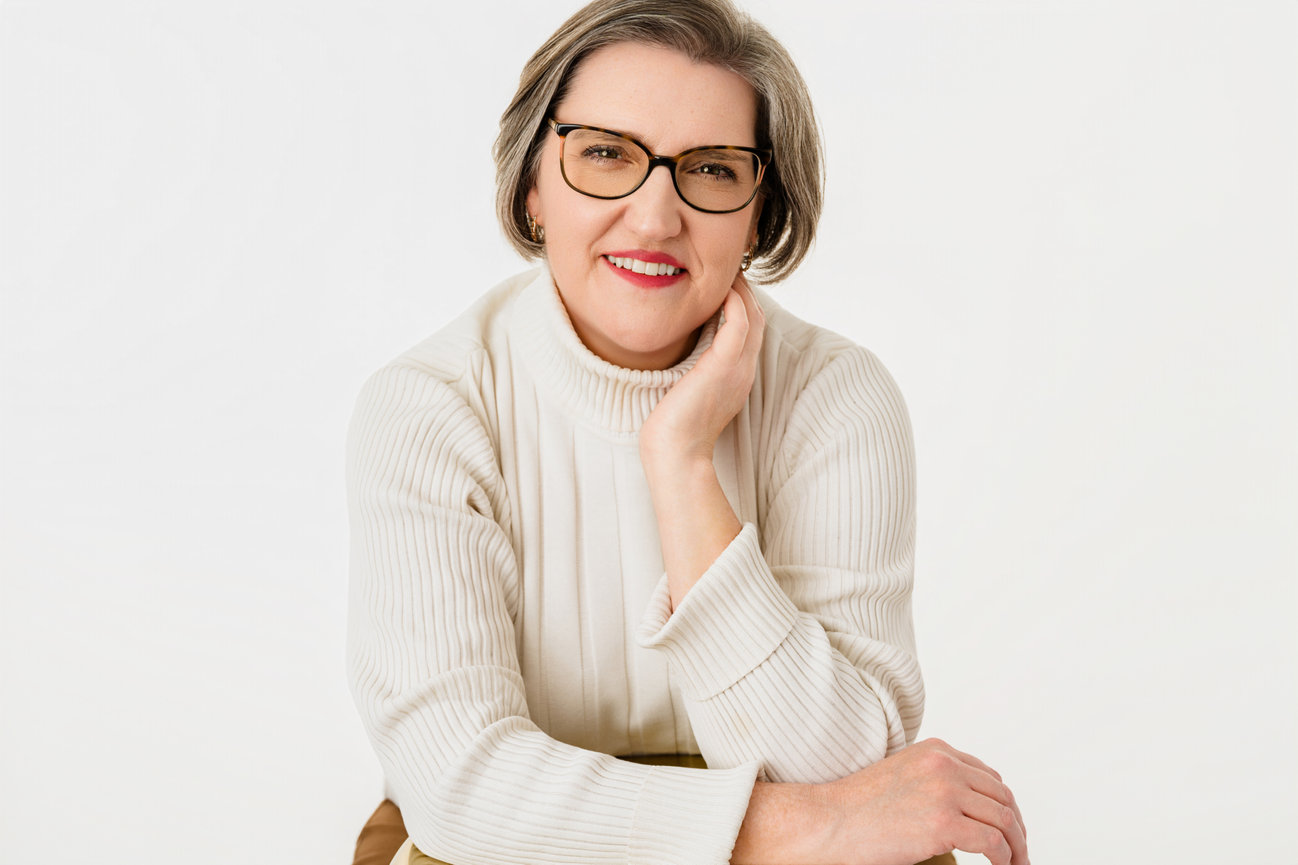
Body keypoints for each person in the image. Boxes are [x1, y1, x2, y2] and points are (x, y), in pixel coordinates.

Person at [347, 1, 1029, 863]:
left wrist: (681, 464)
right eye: (605, 153)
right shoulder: (429, 406)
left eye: (709, 170)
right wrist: (803, 823)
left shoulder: (835, 396)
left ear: (758, 212)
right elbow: (457, 789)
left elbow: (851, 765)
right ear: (532, 184)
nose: (655, 215)